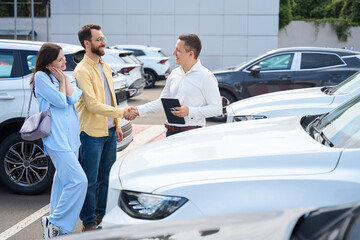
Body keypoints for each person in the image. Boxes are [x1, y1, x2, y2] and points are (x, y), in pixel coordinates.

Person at [73, 24, 134, 231]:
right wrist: (122, 114)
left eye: (103, 38)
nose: (103, 42)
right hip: (91, 133)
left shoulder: (105, 66)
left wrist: (117, 124)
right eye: (99, 39)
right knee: (90, 180)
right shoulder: (81, 70)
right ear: (87, 43)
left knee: (106, 178)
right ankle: (88, 222)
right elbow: (92, 105)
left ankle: (101, 216)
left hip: (109, 131)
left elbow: (112, 99)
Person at [31, 43, 87, 238]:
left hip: (72, 137)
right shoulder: (41, 77)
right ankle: (54, 222)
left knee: (62, 181)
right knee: (79, 181)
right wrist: (64, 81)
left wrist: (64, 81)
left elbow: (73, 99)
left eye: (64, 58)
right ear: (49, 64)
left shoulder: (65, 75)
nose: (65, 62)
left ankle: (57, 231)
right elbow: (62, 101)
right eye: (60, 60)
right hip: (56, 137)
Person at [129, 33, 222, 136]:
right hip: (170, 132)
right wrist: (138, 110)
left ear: (191, 54)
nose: (174, 53)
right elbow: (162, 101)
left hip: (192, 134)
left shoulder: (206, 76)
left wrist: (190, 111)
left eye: (178, 50)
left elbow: (217, 109)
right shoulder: (174, 73)